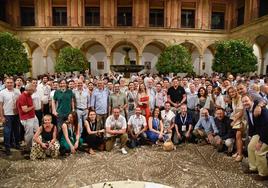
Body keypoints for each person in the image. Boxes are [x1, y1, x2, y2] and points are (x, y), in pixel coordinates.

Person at [242, 95, 268, 181]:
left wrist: (260, 142)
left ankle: (263, 174)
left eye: (246, 101)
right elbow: (252, 125)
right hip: (260, 132)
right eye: (243, 102)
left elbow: (266, 126)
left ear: (252, 100)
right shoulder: (248, 109)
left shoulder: (260, 109)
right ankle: (254, 168)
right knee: (250, 147)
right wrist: (251, 136)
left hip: (266, 133)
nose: (245, 103)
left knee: (259, 151)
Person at [0, 77, 21, 155]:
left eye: (11, 82)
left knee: (16, 131)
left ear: (13, 83)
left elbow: (20, 102)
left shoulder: (17, 91)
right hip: (7, 115)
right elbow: (0, 105)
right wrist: (2, 116)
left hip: (16, 114)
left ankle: (16, 144)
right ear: (5, 84)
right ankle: (7, 147)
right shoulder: (2, 92)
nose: (9, 84)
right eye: (8, 82)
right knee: (7, 132)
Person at [17, 83, 39, 153]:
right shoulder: (22, 97)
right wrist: (33, 106)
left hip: (32, 116)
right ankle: (29, 149)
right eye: (33, 90)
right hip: (26, 118)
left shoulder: (29, 95)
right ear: (29, 90)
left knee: (37, 130)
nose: (33, 92)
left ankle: (36, 145)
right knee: (29, 134)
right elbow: (25, 110)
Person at [227, 86, 244, 162]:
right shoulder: (233, 99)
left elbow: (241, 111)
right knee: (237, 136)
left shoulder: (240, 98)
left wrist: (234, 120)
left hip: (242, 118)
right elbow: (235, 111)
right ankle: (238, 152)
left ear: (236, 91)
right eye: (230, 92)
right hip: (237, 118)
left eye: (233, 91)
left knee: (238, 136)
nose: (231, 93)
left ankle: (240, 155)